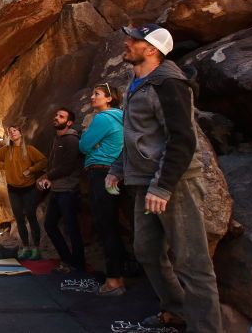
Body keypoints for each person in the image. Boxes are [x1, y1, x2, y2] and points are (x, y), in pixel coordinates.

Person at [106, 24, 221, 331]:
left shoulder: (169, 83)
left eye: (135, 40)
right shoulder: (135, 81)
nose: (127, 43)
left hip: (174, 183)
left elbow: (182, 140)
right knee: (146, 250)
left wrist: (163, 185)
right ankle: (176, 311)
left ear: (152, 49)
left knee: (192, 263)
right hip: (144, 182)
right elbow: (136, 135)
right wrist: (118, 169)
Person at [79, 82, 126, 296]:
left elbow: (83, 145)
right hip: (114, 172)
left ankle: (114, 281)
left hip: (100, 173)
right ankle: (118, 274)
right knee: (112, 224)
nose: (92, 97)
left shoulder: (103, 118)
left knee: (106, 225)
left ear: (109, 98)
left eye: (96, 94)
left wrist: (92, 143)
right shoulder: (120, 117)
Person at [0, 124, 48, 260]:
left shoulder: (29, 149)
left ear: (20, 133)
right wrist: (5, 167)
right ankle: (26, 247)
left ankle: (36, 248)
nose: (12, 133)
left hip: (28, 188)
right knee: (19, 219)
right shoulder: (6, 150)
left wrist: (31, 170)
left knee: (31, 217)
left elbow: (43, 161)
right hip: (13, 189)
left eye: (15, 130)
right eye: (10, 131)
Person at [38, 108, 84, 273]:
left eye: (61, 116)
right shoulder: (56, 139)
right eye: (56, 115)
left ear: (69, 122)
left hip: (68, 190)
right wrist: (47, 176)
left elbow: (67, 166)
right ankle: (67, 259)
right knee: (50, 225)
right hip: (57, 190)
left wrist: (47, 177)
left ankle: (78, 264)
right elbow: (53, 165)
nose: (56, 117)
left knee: (72, 228)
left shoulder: (72, 140)